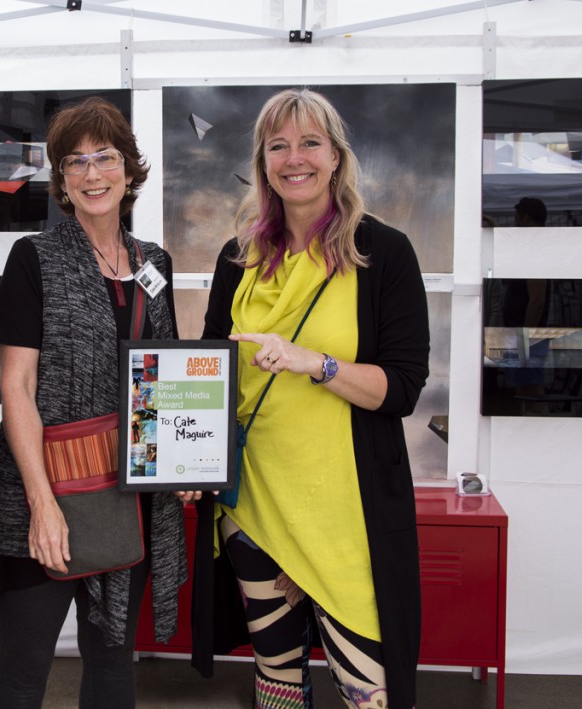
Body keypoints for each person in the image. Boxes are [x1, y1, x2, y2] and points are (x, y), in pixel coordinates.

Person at [187, 88, 430, 709]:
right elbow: (211, 374)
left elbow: (401, 388)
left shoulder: (383, 253)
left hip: (347, 515)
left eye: (310, 143)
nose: (295, 158)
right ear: (264, 162)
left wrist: (315, 364)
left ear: (336, 157)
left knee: (367, 690)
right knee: (276, 680)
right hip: (256, 507)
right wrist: (185, 458)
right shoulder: (237, 259)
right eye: (278, 146)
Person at [0, 97, 187, 709]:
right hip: (44, 495)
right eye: (75, 163)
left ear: (129, 169)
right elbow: (15, 388)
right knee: (23, 675)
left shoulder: (155, 262)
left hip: (126, 497)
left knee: (111, 671)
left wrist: (181, 462)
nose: (92, 173)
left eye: (105, 158)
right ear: (62, 182)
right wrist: (44, 506)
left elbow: (161, 381)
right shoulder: (34, 258)